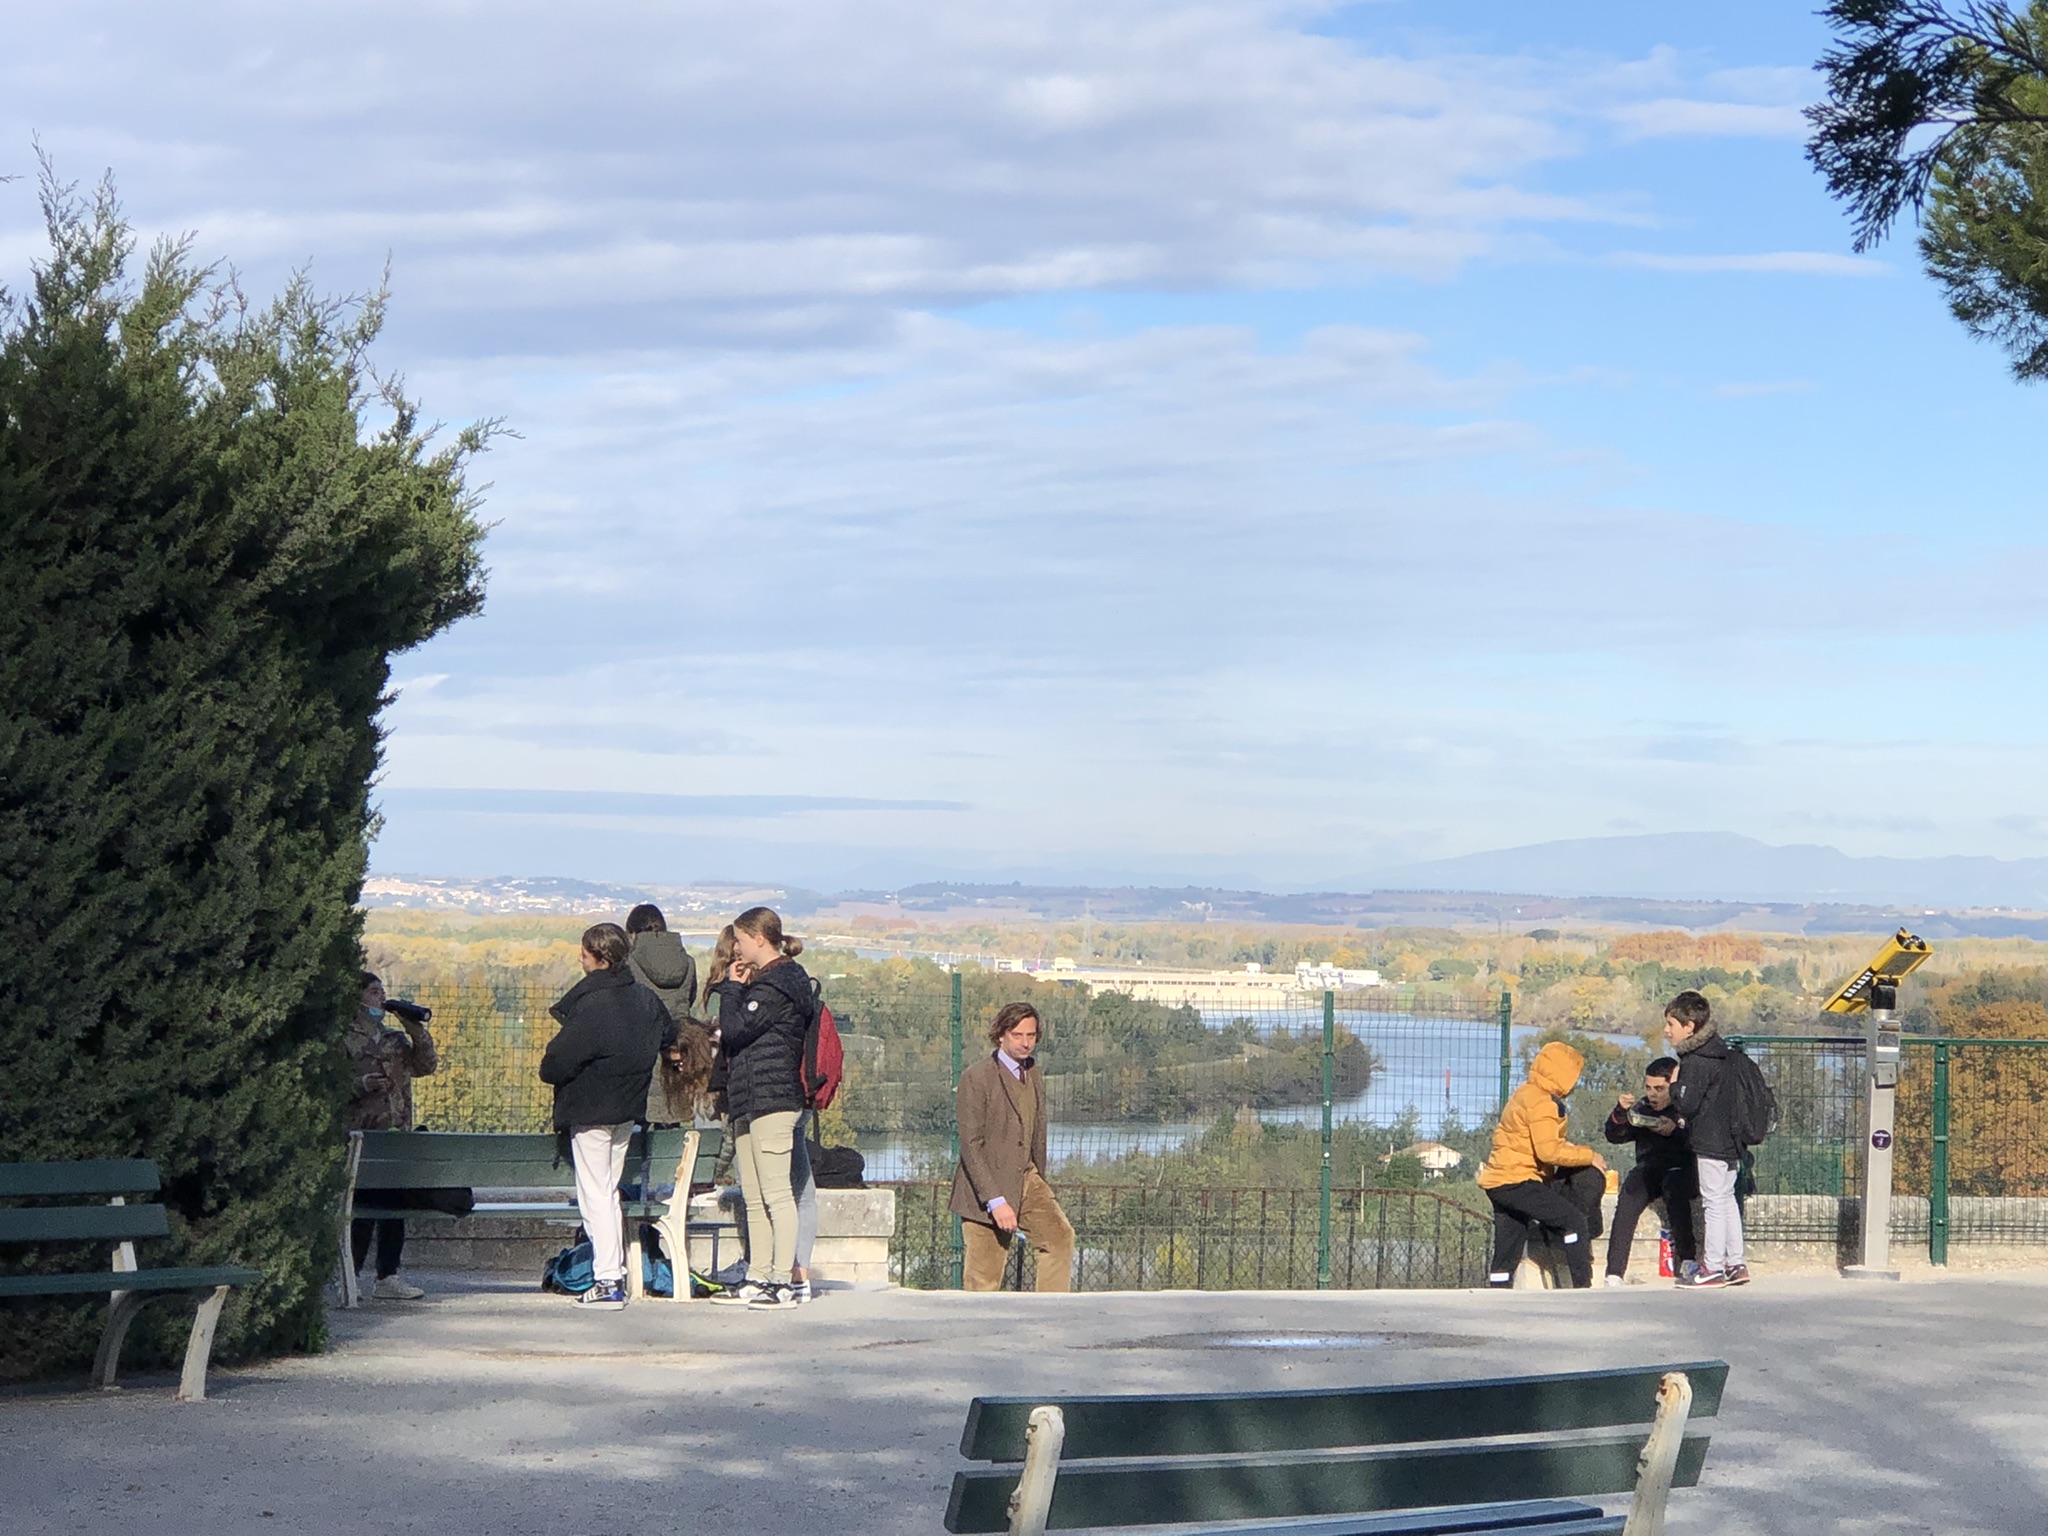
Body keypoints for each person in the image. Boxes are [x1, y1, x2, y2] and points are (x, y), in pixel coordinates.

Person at [539, 922, 670, 1311]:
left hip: (590, 1108)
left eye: (584, 952)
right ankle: (612, 1272)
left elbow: (555, 1063)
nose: (580, 958)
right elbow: (668, 1035)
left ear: (596, 957)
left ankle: (608, 1279)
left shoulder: (592, 1005)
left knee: (595, 1193)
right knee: (607, 1190)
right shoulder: (645, 999)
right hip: (627, 1109)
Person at [706, 906, 814, 1309]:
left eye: (739, 940)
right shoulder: (765, 981)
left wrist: (731, 990)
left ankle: (782, 1282)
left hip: (773, 1098)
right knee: (753, 1195)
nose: (735, 947)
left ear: (758, 939)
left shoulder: (779, 983)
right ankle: (758, 1276)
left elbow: (735, 1030)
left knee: (777, 1194)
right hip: (749, 1098)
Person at [950, 1001, 1076, 1292]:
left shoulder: (1033, 1073)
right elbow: (971, 1145)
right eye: (1017, 1035)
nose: (1025, 1043)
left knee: (1060, 1239)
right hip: (985, 1190)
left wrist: (1039, 1180)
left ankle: (1049, 1314)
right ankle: (977, 1324)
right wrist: (995, 1201)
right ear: (1001, 1035)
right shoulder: (977, 1077)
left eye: (1031, 1035)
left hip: (1027, 1179)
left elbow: (1036, 1132)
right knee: (984, 1281)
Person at [1477, 1040, 1607, 1289]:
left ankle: (1497, 1294)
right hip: (1519, 1180)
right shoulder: (1544, 1103)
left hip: (1498, 1180)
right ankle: (1582, 1285)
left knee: (1508, 1245)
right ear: (1563, 1075)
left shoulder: (1525, 1092)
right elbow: (1548, 1151)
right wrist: (1588, 1155)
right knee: (1573, 1221)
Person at [345, 972, 440, 1300]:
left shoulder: (394, 1039)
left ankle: (388, 1275)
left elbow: (426, 1065)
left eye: (382, 992)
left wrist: (415, 1028)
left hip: (395, 1134)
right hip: (360, 1135)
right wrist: (361, 1085)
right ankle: (351, 1274)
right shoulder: (345, 1039)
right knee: (361, 1207)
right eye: (374, 992)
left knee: (393, 1207)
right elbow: (329, 1086)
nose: (381, 998)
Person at [1664, 990, 1749, 1288]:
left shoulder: (1696, 1060)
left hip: (1710, 1140)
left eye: (1671, 1024)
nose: (1667, 1031)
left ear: (1689, 1026)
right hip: (1732, 1138)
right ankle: (1735, 1263)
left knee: (1713, 1201)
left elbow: (1687, 1104)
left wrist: (1674, 1086)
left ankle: (1712, 1267)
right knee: (1726, 1198)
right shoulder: (1723, 1053)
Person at [1601, 1057, 1699, 1286]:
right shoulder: (1643, 1108)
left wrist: (1676, 1131)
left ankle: (1688, 1260)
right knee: (1629, 1194)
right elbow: (1615, 1136)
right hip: (1649, 1167)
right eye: (1648, 1088)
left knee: (1675, 1189)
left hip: (1682, 1167)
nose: (1652, 1094)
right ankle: (1614, 1273)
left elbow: (1700, 1141)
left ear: (1672, 1086)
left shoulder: (1687, 1108)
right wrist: (1620, 1112)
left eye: (1659, 1089)